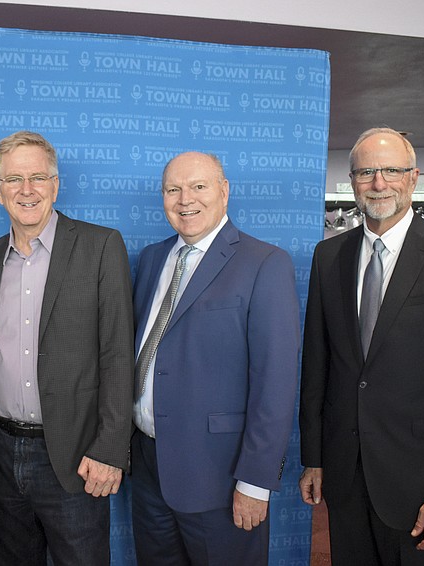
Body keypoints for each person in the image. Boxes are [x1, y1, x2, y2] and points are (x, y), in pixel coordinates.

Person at [299, 128, 424, 566]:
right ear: (351, 181)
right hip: (345, 474)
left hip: (420, 487)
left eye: (391, 170)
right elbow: (318, 367)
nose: (378, 183)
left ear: (414, 178)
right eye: (367, 172)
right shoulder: (327, 257)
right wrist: (313, 457)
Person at [0, 130, 134, 566]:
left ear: (56, 185)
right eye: (14, 179)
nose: (27, 189)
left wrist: (110, 448)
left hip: (74, 455)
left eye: (39, 177)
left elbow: (117, 353)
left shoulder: (100, 246)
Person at [131, 151, 301, 565]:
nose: (184, 199)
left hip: (220, 476)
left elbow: (275, 384)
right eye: (173, 189)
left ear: (224, 192)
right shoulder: (153, 258)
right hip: (149, 467)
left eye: (198, 186)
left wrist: (255, 483)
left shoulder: (265, 263)